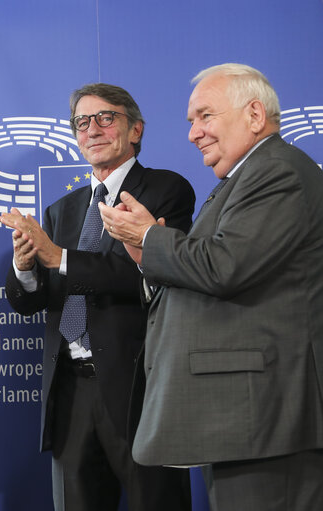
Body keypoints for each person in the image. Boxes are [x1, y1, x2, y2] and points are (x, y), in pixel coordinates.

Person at [99, 63, 323, 510]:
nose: (193, 133)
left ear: (255, 115)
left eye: (205, 116)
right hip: (249, 425)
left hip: (268, 420)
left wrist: (147, 236)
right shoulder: (244, 177)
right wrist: (150, 256)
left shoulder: (276, 172)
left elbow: (225, 266)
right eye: (190, 122)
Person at [0, 83, 194, 511]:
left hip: (139, 388)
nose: (92, 130)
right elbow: (36, 300)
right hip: (70, 391)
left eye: (106, 118)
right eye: (81, 123)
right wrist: (26, 266)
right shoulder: (61, 210)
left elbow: (145, 274)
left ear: (135, 129)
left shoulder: (166, 191)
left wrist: (58, 256)